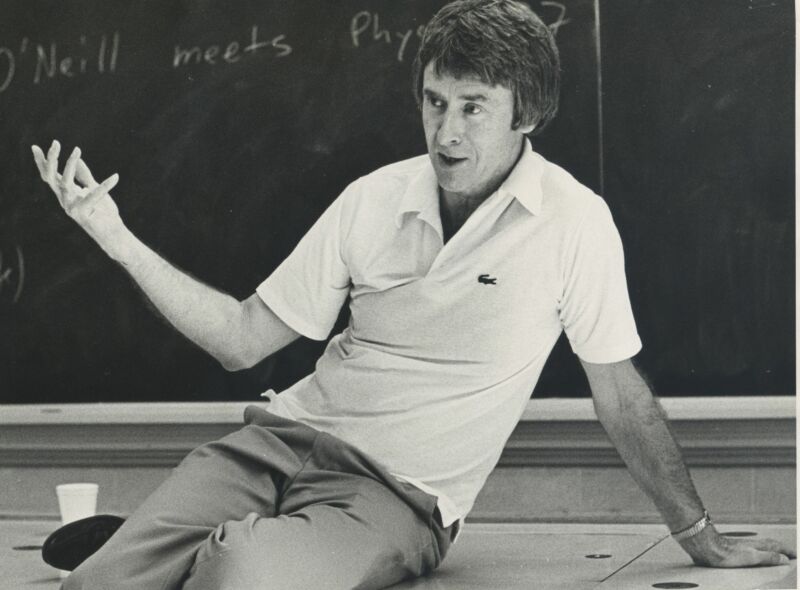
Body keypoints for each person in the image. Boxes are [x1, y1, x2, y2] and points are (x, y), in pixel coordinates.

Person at [31, 1, 795, 588]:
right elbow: (241, 339)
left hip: (394, 497)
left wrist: (699, 534)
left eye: (473, 107)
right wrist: (113, 234)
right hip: (275, 445)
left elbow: (620, 394)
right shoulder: (373, 198)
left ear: (526, 114)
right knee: (97, 586)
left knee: (241, 576)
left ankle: (171, 546)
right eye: (434, 101)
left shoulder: (573, 222)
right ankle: (149, 549)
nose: (446, 132)